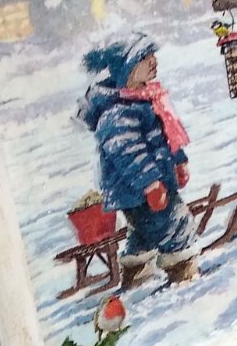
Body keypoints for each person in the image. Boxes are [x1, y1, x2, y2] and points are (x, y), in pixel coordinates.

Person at [78, 34, 200, 283]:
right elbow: (129, 153)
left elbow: (165, 135)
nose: (153, 61)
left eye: (152, 55)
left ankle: (136, 271)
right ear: (127, 69)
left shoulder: (146, 99)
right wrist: (150, 184)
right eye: (144, 57)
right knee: (176, 224)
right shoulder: (116, 113)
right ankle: (183, 271)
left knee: (143, 234)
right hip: (138, 192)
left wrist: (178, 159)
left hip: (153, 188)